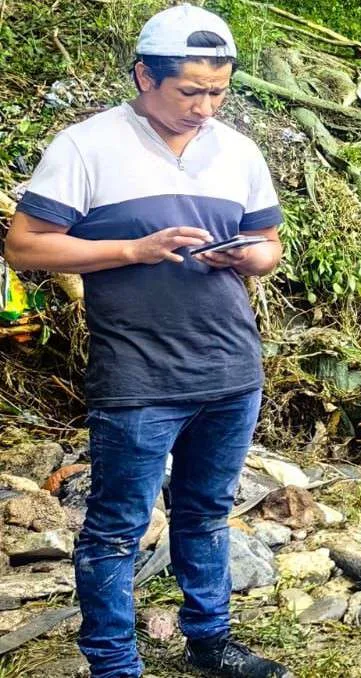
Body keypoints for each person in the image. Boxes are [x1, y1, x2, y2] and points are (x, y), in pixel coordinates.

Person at [4, 4, 291, 677]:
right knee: (114, 528)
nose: (205, 107)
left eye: (218, 91)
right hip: (138, 376)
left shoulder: (238, 151)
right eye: (190, 90)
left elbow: (271, 245)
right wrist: (135, 249)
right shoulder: (87, 145)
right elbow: (24, 246)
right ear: (143, 75)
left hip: (231, 369)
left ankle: (210, 642)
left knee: (207, 513)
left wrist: (249, 259)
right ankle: (113, 664)